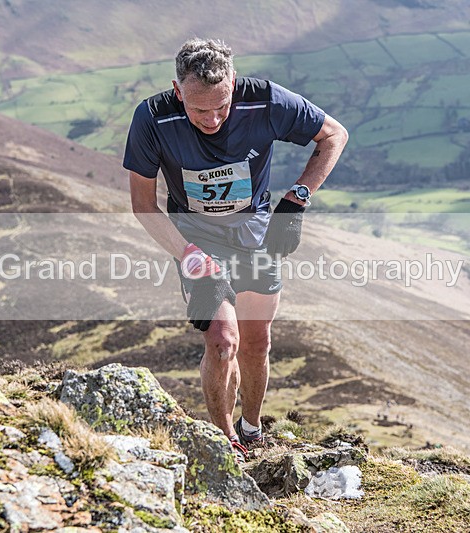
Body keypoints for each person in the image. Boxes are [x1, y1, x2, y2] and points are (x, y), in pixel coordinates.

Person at [123, 38, 347, 461]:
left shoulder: (263, 100)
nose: (212, 119)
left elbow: (334, 135)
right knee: (223, 340)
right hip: (195, 237)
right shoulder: (152, 118)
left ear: (234, 83)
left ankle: (252, 427)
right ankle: (224, 440)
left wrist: (297, 198)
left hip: (256, 235)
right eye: (199, 109)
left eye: (221, 106)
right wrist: (188, 254)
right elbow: (142, 205)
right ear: (178, 91)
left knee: (256, 341)